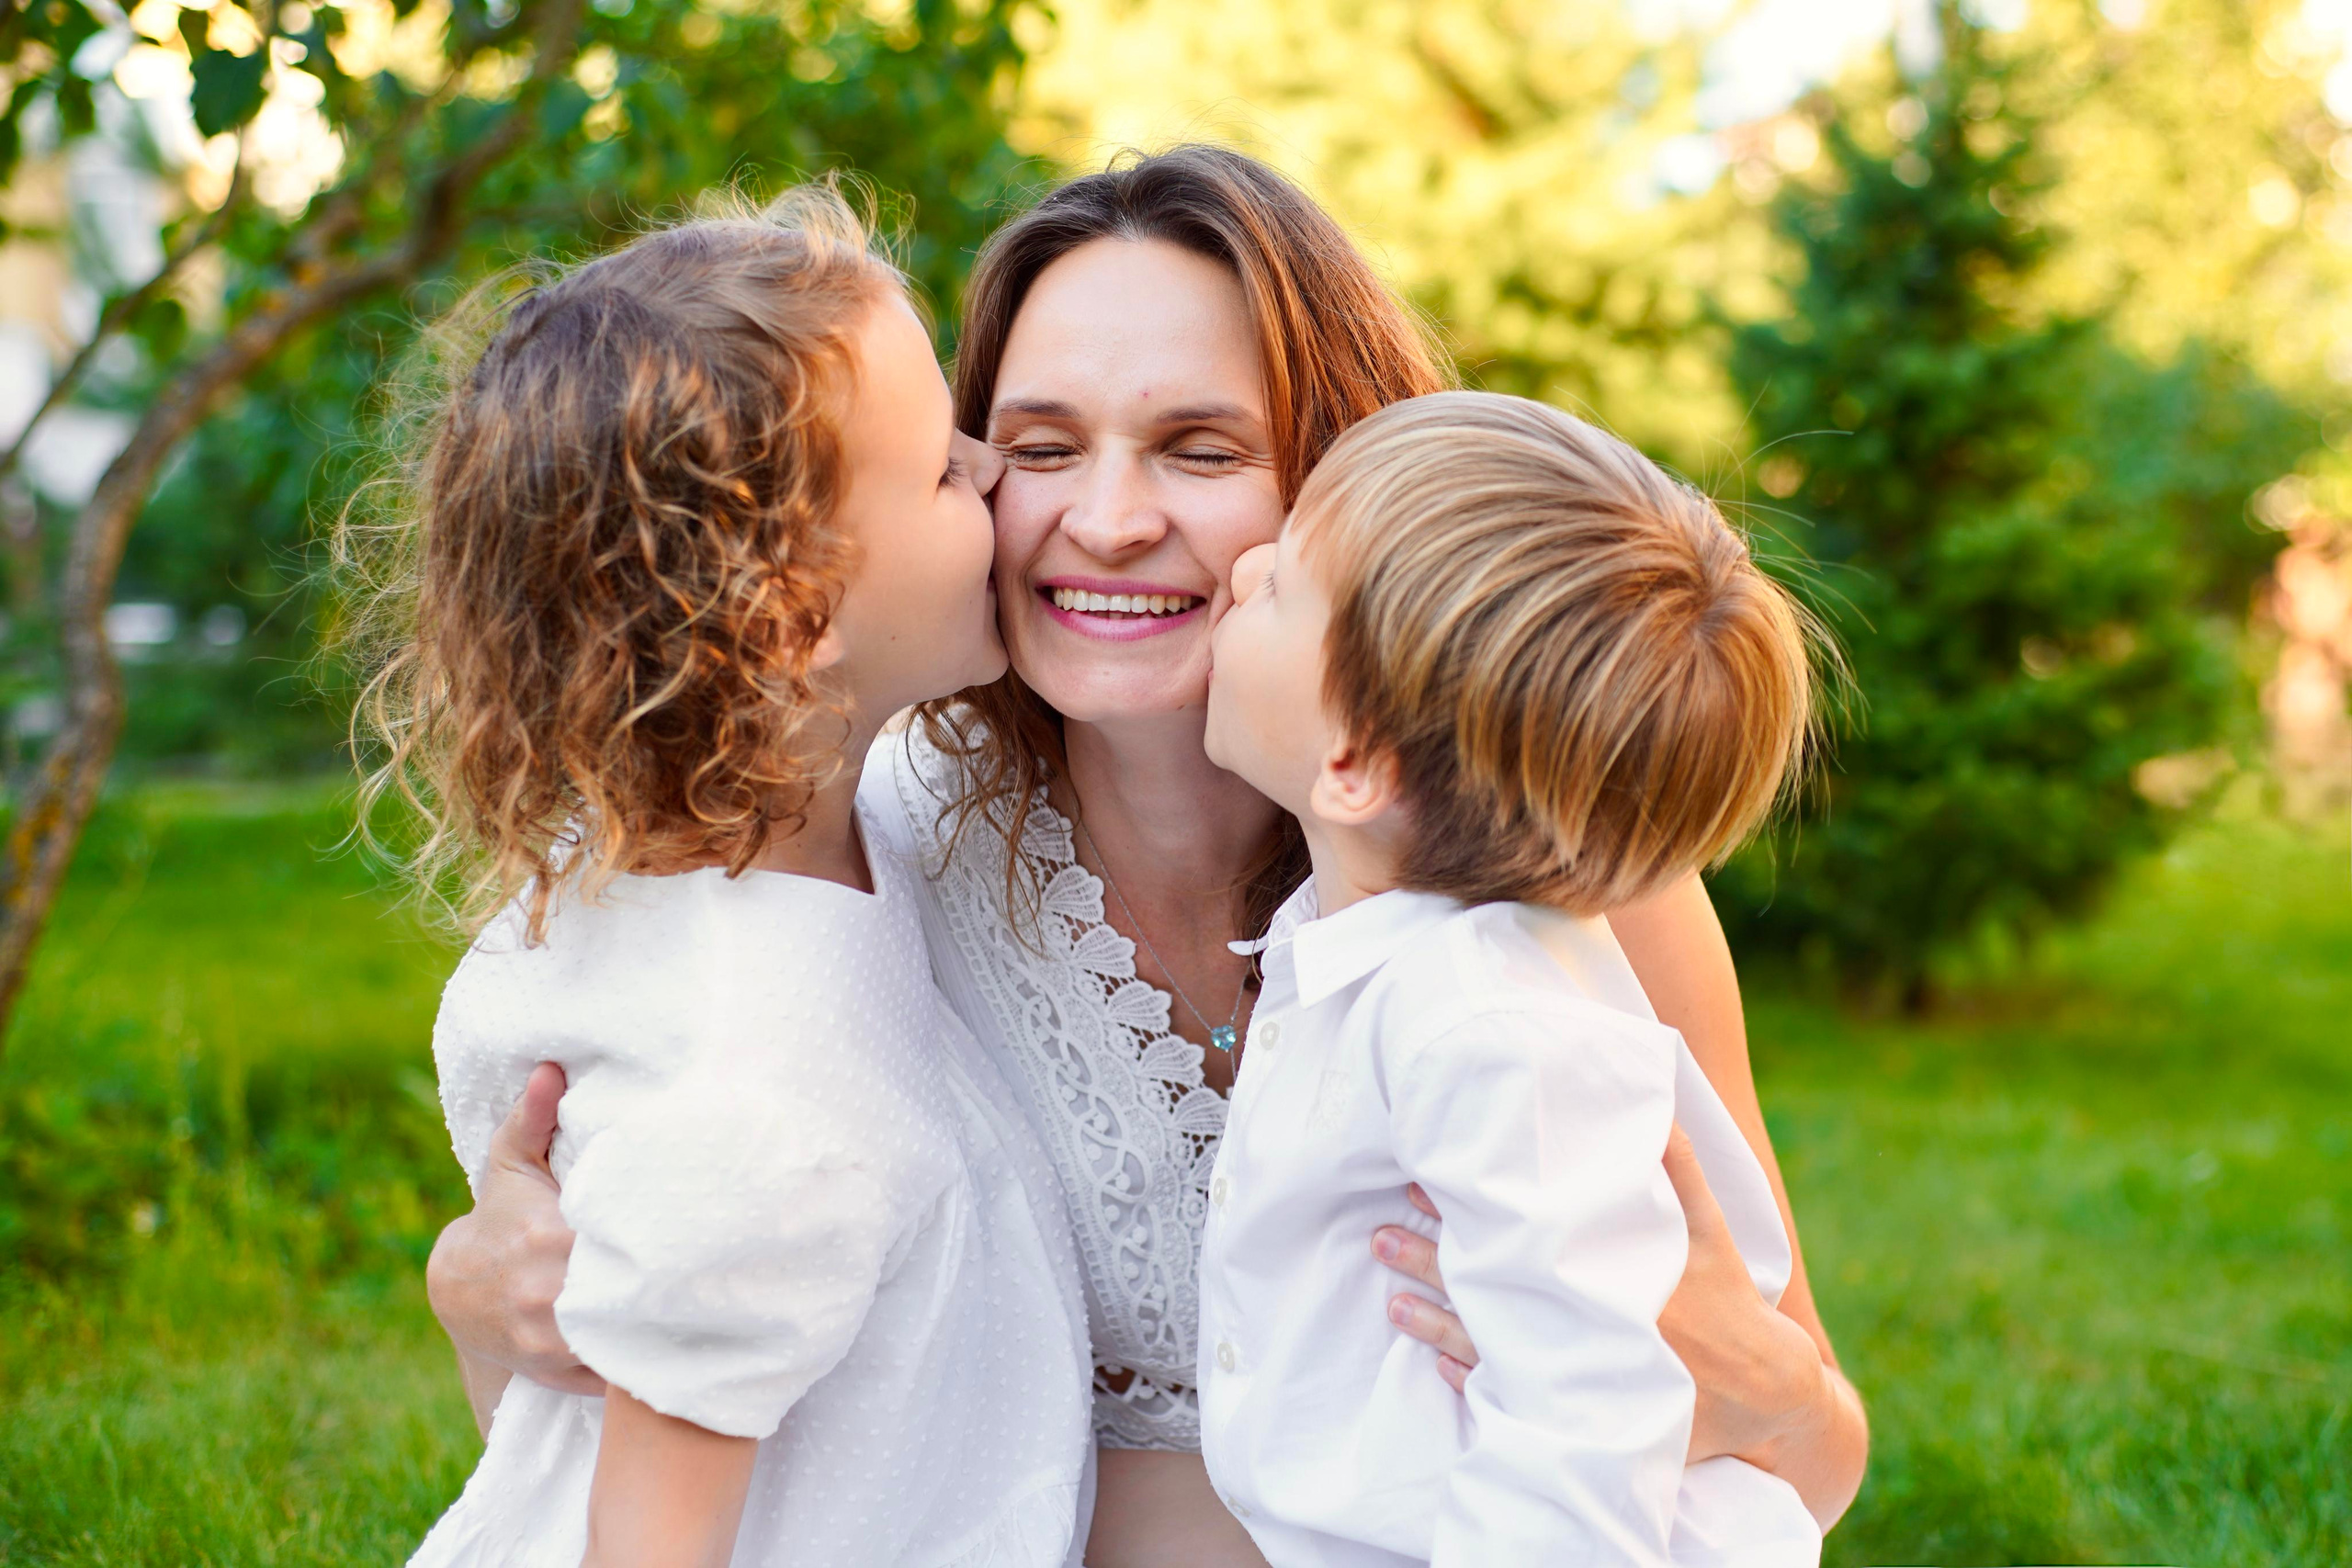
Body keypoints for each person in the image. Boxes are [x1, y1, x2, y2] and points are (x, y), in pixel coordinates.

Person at [424, 147, 1869, 1568]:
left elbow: (1811, 1461)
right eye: (1039, 448)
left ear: (1346, 489)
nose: (1110, 523)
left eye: (1203, 449)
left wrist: (1764, 1389)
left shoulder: (1549, 880)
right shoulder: (846, 856)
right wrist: (477, 1293)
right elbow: (614, 1419)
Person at [355, 193, 1092, 1568]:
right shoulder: (756, 1096)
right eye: (942, 469)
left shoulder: (697, 878)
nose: (996, 468)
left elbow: (540, 1430)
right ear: (791, 616)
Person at [1196, 390, 1823, 1566]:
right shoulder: (1391, 959)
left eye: (1281, 585)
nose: (1241, 573)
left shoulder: (1489, 1023)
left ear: (1354, 764)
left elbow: (1584, 1430)